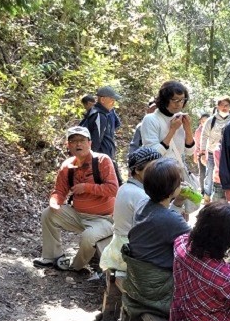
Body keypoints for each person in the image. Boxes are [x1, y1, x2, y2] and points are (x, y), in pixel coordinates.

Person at [34, 125, 118, 272]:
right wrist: (54, 202)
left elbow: (113, 189)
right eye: (73, 141)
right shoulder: (67, 166)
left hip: (104, 219)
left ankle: (76, 266)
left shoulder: (102, 161)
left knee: (88, 237)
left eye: (82, 140)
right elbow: (59, 191)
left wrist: (86, 187)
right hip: (78, 215)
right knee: (48, 214)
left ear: (89, 143)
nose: (78, 144)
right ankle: (52, 257)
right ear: (68, 145)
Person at [122, 159, 190, 317]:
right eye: (179, 182)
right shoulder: (171, 220)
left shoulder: (142, 205)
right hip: (158, 289)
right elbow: (197, 243)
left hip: (139, 281)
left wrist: (177, 203)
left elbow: (163, 218)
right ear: (173, 190)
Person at [99, 146, 162, 274]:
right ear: (138, 170)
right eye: (154, 167)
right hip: (131, 253)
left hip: (120, 247)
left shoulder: (125, 188)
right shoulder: (141, 196)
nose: (159, 172)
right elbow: (158, 229)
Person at [139, 81, 198, 207]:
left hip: (178, 175)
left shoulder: (180, 118)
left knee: (180, 212)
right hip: (160, 178)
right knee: (163, 211)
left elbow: (190, 151)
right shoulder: (150, 119)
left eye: (182, 100)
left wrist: (187, 128)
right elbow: (152, 153)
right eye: (174, 100)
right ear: (164, 99)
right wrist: (172, 130)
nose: (179, 104)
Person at [199, 96, 230, 202]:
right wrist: (202, 153)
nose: (224, 107)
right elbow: (204, 136)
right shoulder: (211, 120)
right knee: (209, 174)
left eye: (227, 105)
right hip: (211, 153)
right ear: (217, 106)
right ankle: (207, 197)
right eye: (222, 105)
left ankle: (223, 198)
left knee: (224, 175)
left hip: (227, 154)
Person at [84, 85, 123, 166]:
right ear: (102, 100)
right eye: (112, 100)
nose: (113, 103)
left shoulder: (102, 113)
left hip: (103, 159)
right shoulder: (99, 115)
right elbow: (96, 141)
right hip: (99, 161)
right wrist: (91, 162)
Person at [192, 113, 210, 198]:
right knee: (202, 173)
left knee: (210, 173)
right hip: (201, 154)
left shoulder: (212, 129)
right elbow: (196, 144)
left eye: (206, 121)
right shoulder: (198, 131)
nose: (204, 123)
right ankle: (203, 191)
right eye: (203, 121)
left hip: (210, 155)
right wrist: (195, 155)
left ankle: (209, 191)